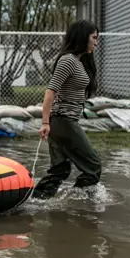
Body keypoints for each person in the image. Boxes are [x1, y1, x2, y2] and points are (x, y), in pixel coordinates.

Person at [32, 20, 102, 200]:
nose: (96, 42)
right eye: (93, 38)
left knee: (60, 170)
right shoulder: (68, 61)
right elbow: (50, 92)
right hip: (62, 121)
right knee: (93, 166)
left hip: (63, 122)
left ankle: (34, 201)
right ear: (81, 37)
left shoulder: (78, 61)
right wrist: (45, 122)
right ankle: (77, 203)